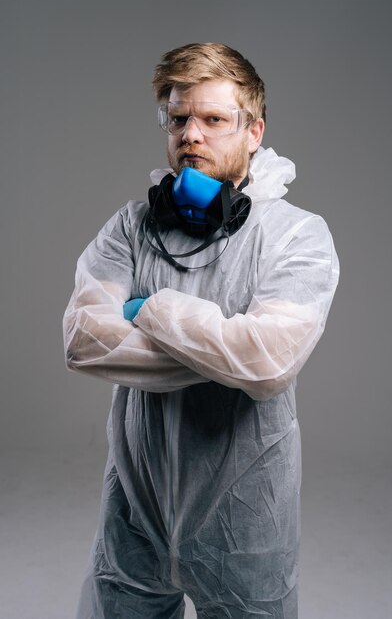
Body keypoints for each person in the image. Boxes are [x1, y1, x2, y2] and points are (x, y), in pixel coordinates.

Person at [63, 43, 339, 619]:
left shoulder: (296, 236)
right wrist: (225, 351)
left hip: (243, 521)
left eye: (214, 120)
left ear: (254, 130)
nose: (192, 134)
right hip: (134, 512)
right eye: (179, 118)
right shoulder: (130, 227)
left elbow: (267, 364)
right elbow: (85, 341)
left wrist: (148, 309)